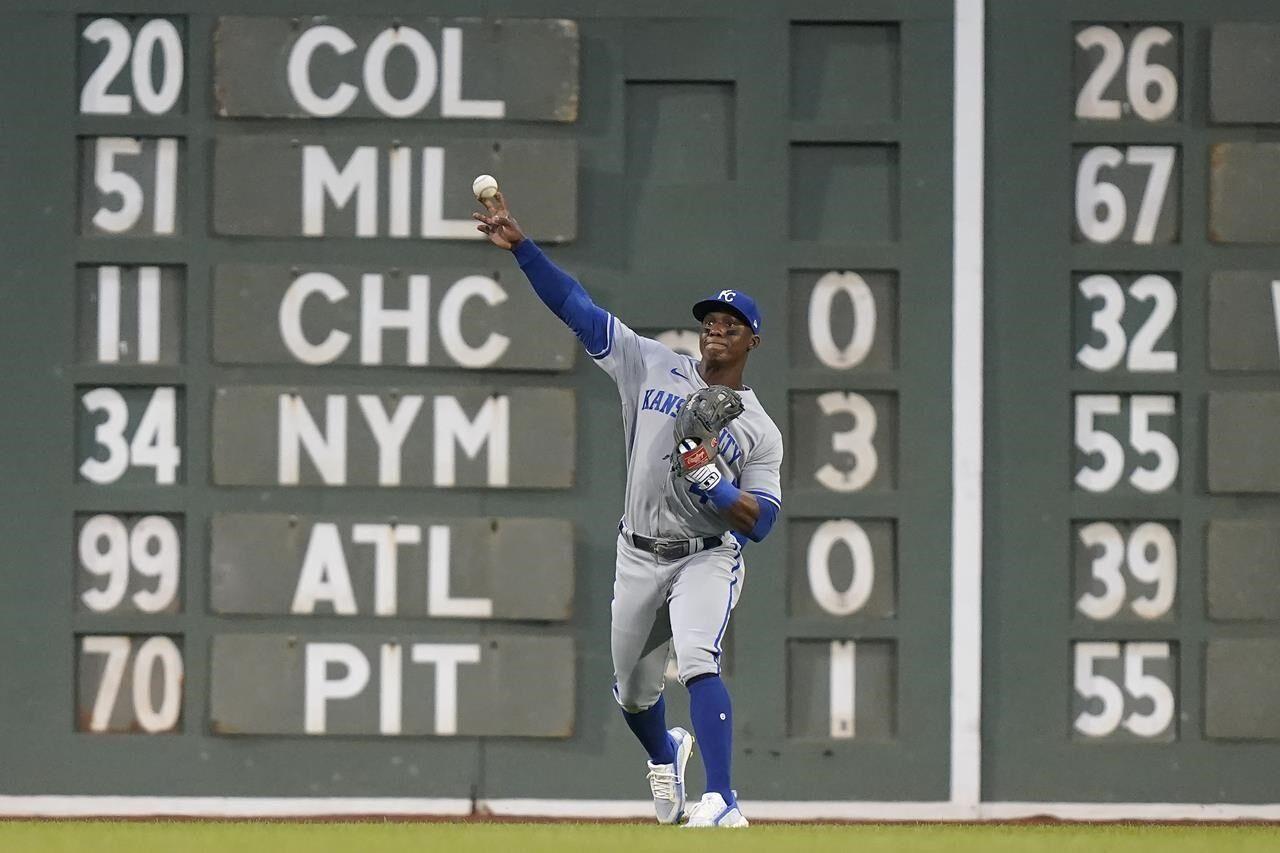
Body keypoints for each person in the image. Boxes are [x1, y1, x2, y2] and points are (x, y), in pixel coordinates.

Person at [474, 192, 783, 828]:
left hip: (705, 556)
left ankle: (722, 799)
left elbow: (763, 521)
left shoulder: (759, 430)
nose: (717, 326)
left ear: (755, 338)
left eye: (732, 320)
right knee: (633, 694)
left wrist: (714, 486)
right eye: (710, 318)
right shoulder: (653, 365)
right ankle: (666, 752)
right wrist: (524, 250)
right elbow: (578, 310)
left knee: (698, 658)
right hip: (638, 551)